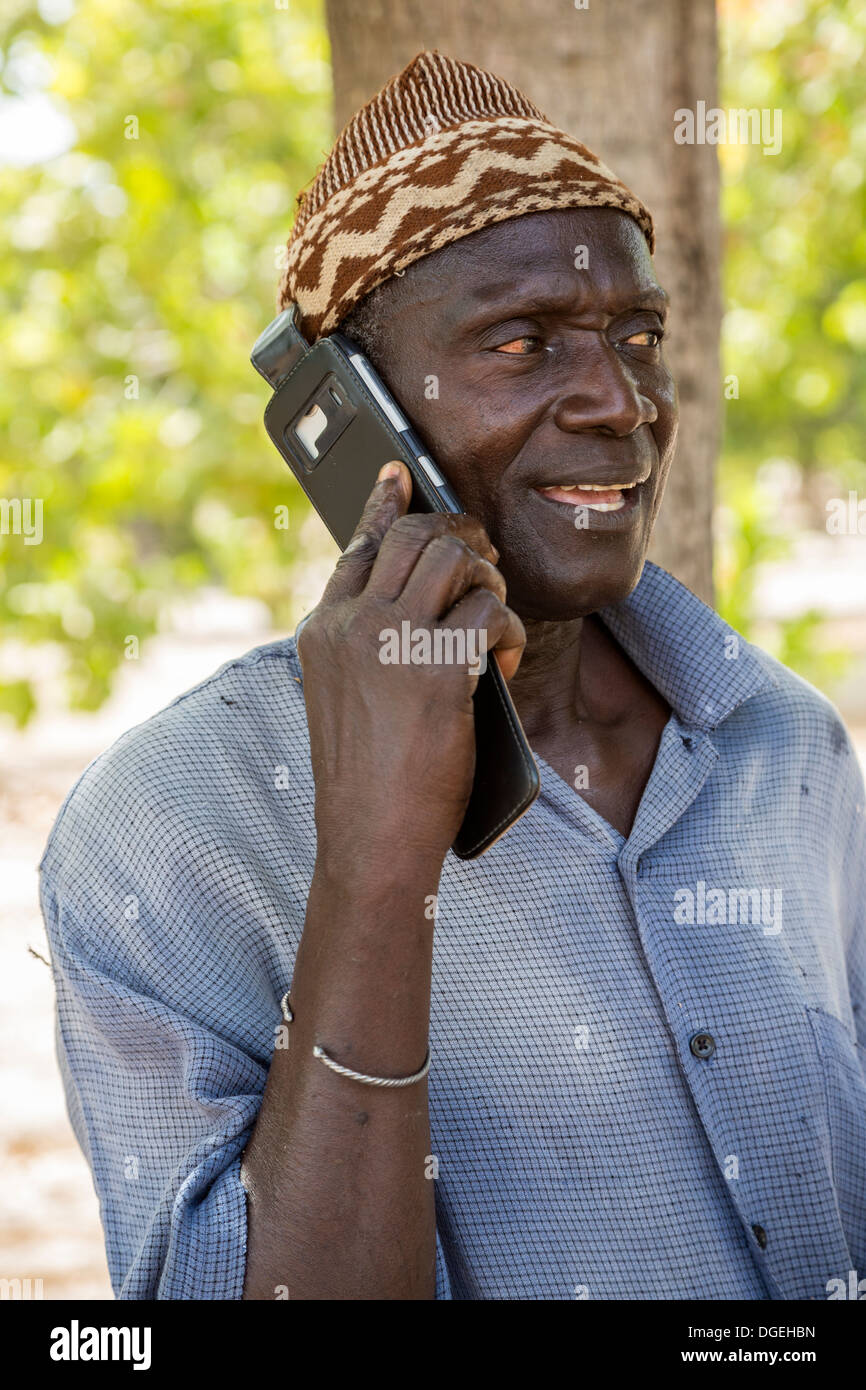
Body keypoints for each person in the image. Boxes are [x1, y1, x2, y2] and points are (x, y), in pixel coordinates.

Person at [41, 51, 866, 1301]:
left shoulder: (782, 745)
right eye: (523, 341)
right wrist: (377, 852)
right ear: (358, 415)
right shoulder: (167, 828)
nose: (617, 401)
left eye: (634, 335)